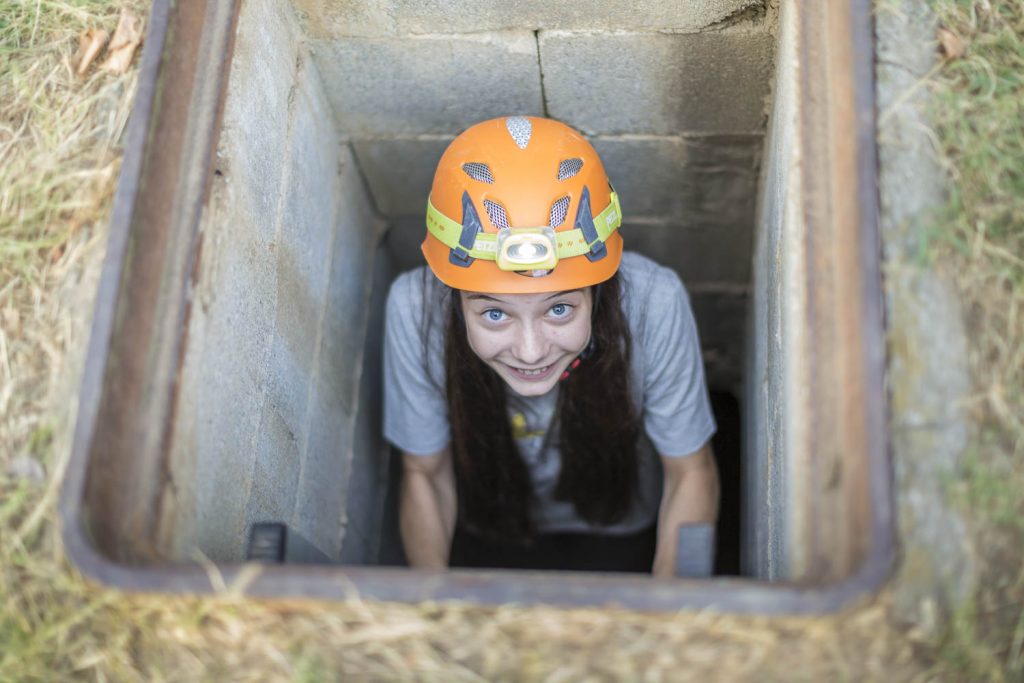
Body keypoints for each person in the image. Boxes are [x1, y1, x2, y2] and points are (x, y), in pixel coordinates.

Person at [383, 116, 719, 577]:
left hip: (619, 527)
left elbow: (690, 471)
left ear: (598, 289)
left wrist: (667, 612)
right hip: (490, 527)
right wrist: (434, 605)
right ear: (454, 293)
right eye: (495, 313)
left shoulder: (654, 302)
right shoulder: (413, 306)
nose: (530, 352)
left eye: (559, 309)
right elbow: (424, 472)